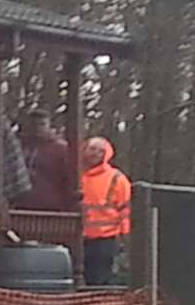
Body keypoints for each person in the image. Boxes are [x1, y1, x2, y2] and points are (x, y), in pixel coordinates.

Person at [81, 135, 132, 286]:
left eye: (100, 151)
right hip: (75, 237)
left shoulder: (117, 178)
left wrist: (125, 237)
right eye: (92, 149)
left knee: (98, 281)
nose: (95, 153)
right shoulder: (75, 175)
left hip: (104, 239)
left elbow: (125, 210)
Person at [12, 109, 75, 212]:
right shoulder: (19, 147)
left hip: (51, 206)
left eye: (42, 124)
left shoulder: (61, 149)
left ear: (49, 126)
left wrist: (68, 205)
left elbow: (69, 178)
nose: (37, 128)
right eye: (33, 124)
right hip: (21, 205)